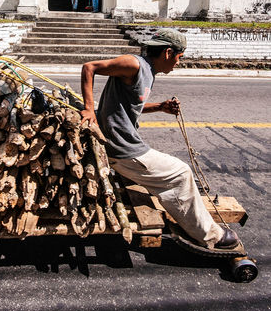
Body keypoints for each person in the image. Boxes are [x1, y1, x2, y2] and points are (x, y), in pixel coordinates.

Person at [80, 28, 239, 249]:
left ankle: (187, 216)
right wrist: (89, 110)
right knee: (181, 173)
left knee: (173, 172)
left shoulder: (148, 71)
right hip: (123, 149)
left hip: (124, 145)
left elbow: (131, 105)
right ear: (167, 53)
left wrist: (160, 107)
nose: (178, 63)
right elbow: (90, 67)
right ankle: (210, 236)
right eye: (179, 58)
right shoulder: (134, 64)